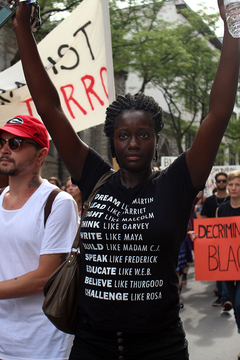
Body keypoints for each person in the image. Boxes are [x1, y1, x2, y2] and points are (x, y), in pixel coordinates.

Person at [9, 0, 240, 358]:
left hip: (159, 348)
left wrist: (233, 25)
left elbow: (219, 112)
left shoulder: (177, 183)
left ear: (157, 140)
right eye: (123, 135)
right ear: (112, 139)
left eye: (144, 135)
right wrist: (22, 27)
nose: (133, 143)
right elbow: (49, 107)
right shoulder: (95, 176)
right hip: (90, 346)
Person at [0, 114, 79, 360]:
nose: (5, 149)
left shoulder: (57, 202)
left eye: (15, 143)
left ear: (41, 155)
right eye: (1, 142)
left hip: (42, 342)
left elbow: (43, 277)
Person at [216, 170, 240, 359]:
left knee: (239, 304)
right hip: (226, 263)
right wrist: (199, 238)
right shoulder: (222, 209)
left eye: (237, 185)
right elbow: (215, 235)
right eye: (231, 184)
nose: (232, 188)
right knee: (236, 306)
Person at [200, 171, 231, 308]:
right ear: (216, 182)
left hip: (232, 239)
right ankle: (224, 296)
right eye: (219, 181)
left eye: (224, 181)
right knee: (221, 268)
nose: (221, 183)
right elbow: (203, 219)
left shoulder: (233, 199)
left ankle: (227, 296)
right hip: (216, 239)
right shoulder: (211, 201)